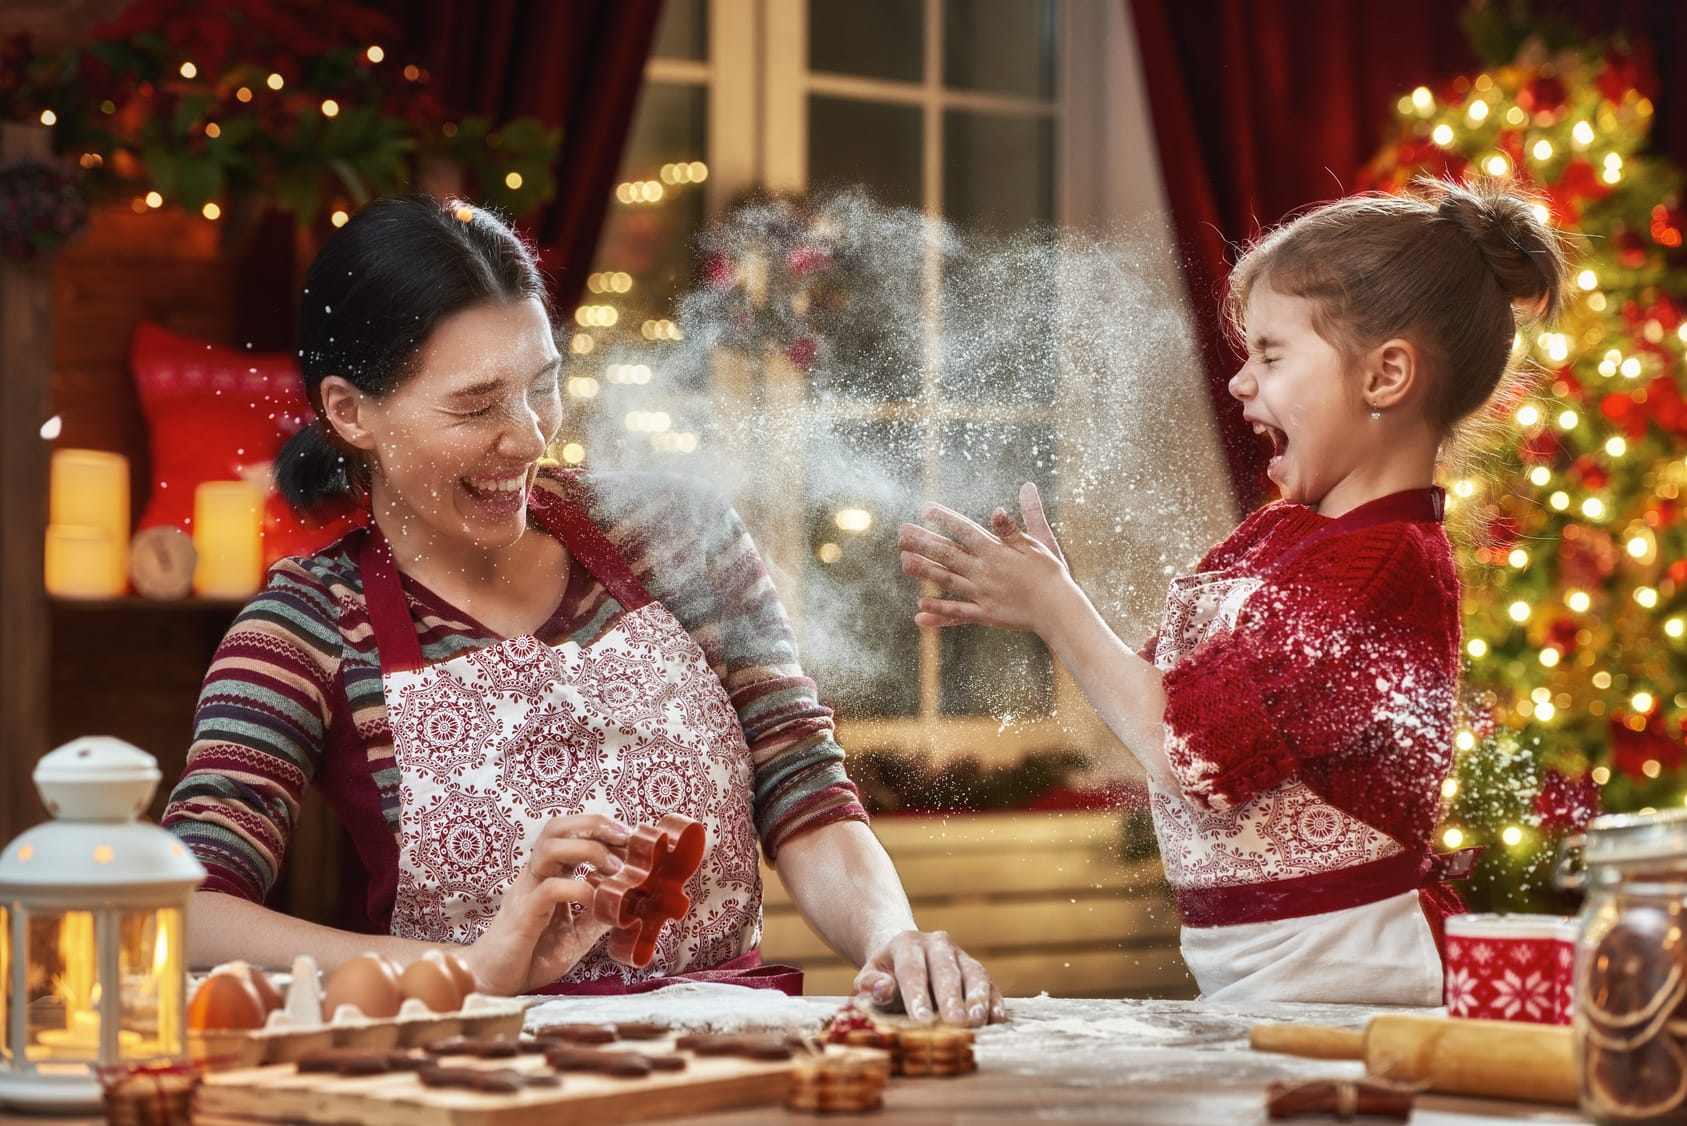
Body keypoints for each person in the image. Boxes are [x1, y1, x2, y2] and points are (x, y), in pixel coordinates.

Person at [163, 194, 1002, 1025]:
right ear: (351, 412)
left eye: (541, 387)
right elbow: (188, 910)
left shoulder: (674, 535)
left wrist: (891, 938)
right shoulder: (306, 624)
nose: (529, 437)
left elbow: (803, 790)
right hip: (477, 1080)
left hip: (732, 1058)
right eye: (477, 404)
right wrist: (470, 969)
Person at [897, 179, 1570, 1003]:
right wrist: (1044, 597)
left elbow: (1188, 750)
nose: (1239, 383)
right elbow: (1157, 700)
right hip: (1257, 982)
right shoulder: (1279, 537)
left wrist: (1055, 608)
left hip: (1349, 988)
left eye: (1272, 354)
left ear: (1386, 374)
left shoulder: (1382, 565)